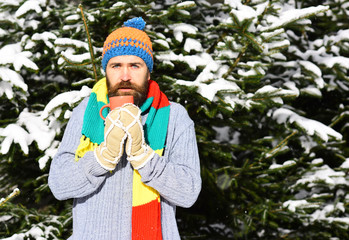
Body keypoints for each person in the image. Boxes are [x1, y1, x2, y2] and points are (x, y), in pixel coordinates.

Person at [48, 17, 201, 240]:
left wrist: (143, 157)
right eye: (116, 66)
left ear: (148, 72)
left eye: (135, 65)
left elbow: (188, 192)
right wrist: (102, 158)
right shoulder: (86, 112)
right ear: (106, 71)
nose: (125, 76)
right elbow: (59, 185)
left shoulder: (174, 116)